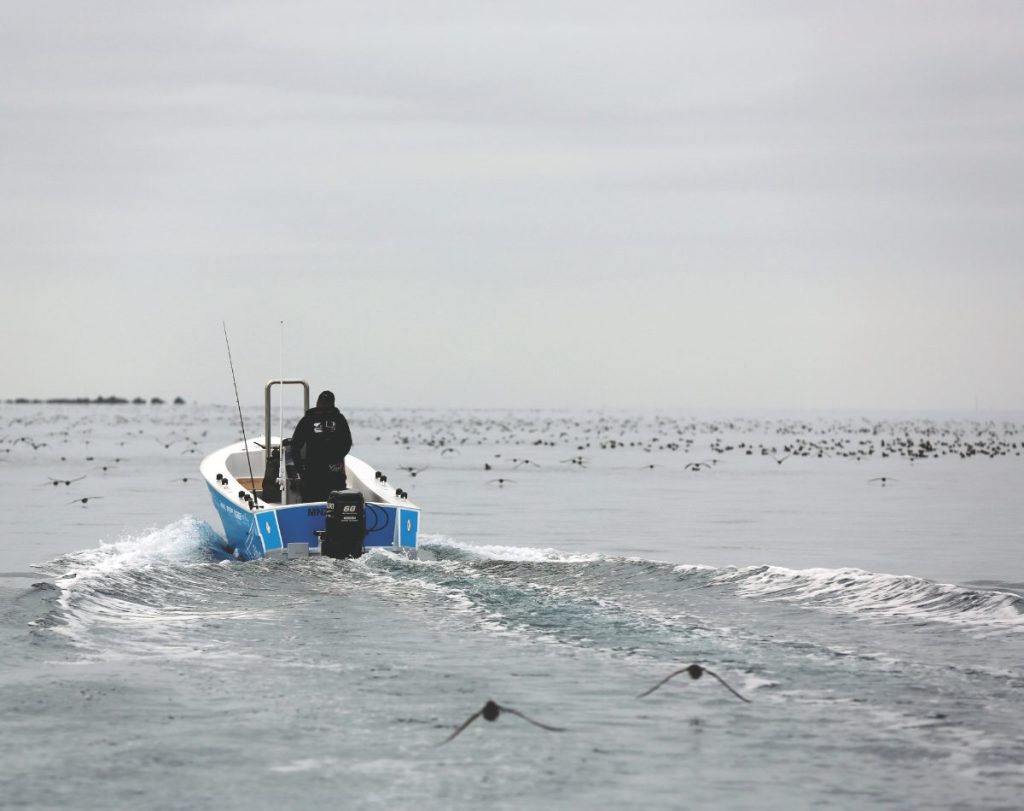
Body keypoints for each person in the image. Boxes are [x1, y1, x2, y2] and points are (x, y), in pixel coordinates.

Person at [290, 390, 352, 502]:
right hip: (335, 475)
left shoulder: (307, 420)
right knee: (336, 501)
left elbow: (295, 448)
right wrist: (335, 459)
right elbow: (347, 444)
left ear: (317, 403)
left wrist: (301, 471)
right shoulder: (339, 420)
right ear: (333, 403)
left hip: (312, 476)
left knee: (311, 502)